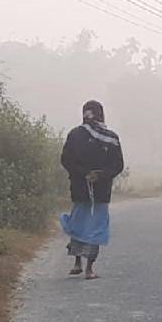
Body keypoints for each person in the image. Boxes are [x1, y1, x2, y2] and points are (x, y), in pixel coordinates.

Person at [60, 100, 124, 280]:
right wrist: (100, 175)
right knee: (95, 229)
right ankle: (89, 269)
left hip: (79, 189)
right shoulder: (111, 137)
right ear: (101, 114)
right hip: (101, 192)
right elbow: (118, 165)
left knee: (78, 225)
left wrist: (83, 174)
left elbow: (66, 160)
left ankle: (77, 263)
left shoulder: (74, 135)